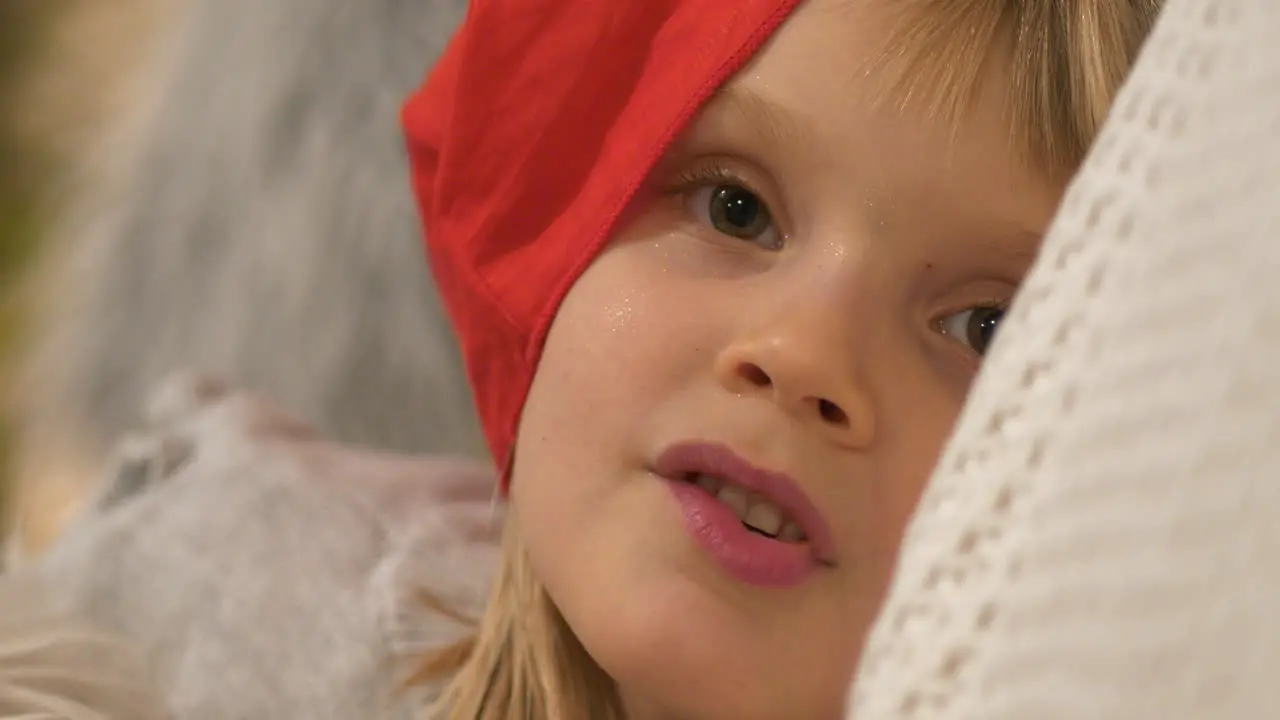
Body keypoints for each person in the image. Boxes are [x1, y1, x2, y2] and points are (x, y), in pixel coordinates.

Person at [1, 0, 1160, 718]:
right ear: (557, 232)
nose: (801, 357)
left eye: (987, 328)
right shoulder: (228, 590)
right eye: (735, 208)